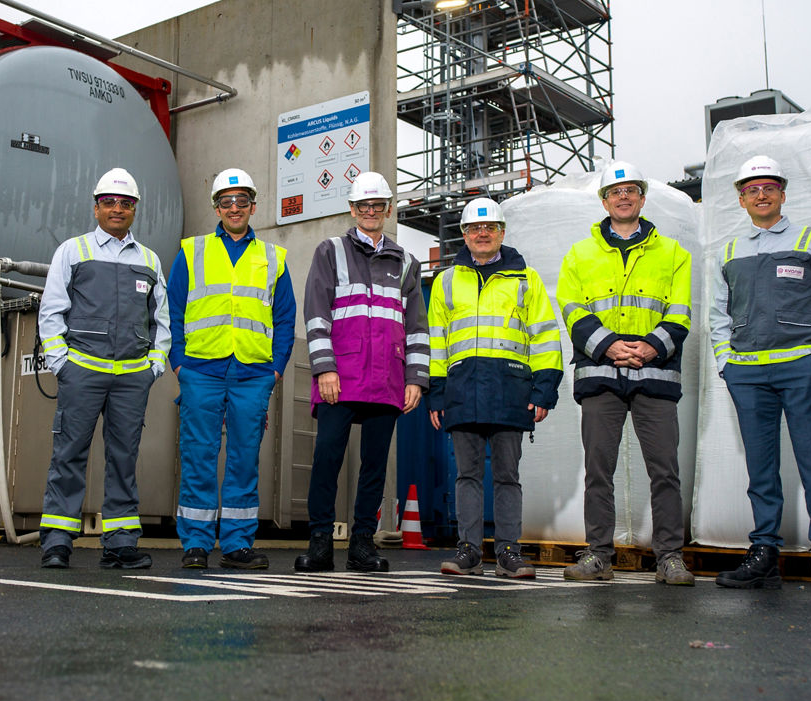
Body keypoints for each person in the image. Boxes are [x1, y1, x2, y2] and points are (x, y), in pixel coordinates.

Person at [710, 155, 811, 595]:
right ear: (741, 200)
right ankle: (765, 553)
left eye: (769, 187)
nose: (761, 195)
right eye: (752, 189)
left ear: (782, 194)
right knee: (761, 468)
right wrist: (725, 362)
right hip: (747, 373)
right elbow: (718, 314)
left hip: (799, 368)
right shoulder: (730, 251)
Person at [556, 161, 696, 586]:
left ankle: (669, 557)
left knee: (665, 471)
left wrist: (651, 346)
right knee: (599, 471)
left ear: (642, 198)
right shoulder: (579, 254)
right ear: (604, 202)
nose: (623, 197)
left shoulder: (673, 253)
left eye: (631, 190)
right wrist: (609, 346)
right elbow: (572, 309)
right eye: (615, 192)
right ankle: (599, 556)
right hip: (601, 372)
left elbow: (680, 311)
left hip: (655, 373)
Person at [294, 171, 428, 573]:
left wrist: (415, 379)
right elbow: (316, 314)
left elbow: (416, 327)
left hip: (387, 378)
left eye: (377, 206)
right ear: (352, 210)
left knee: (374, 466)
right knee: (327, 458)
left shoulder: (406, 262)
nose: (370, 211)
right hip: (341, 375)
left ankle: (362, 544)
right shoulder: (330, 251)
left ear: (388, 210)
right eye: (363, 206)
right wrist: (324, 369)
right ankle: (320, 543)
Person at [38, 168, 170, 570]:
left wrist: (154, 366)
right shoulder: (73, 251)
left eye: (126, 203)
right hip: (82, 371)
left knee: (124, 458)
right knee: (69, 454)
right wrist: (62, 363)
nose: (117, 209)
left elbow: (161, 320)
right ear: (96, 208)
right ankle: (57, 541)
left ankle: (120, 543)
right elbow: (51, 310)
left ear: (135, 210)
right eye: (109, 202)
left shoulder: (149, 260)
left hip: (132, 378)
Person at [167, 169, 296, 571]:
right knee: (198, 457)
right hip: (200, 372)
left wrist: (275, 370)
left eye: (242, 201)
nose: (234, 208)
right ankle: (196, 544)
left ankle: (238, 544)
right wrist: (180, 364)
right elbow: (172, 310)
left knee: (244, 459)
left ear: (253, 207)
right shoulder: (192, 251)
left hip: (253, 375)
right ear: (216, 208)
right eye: (226, 201)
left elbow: (285, 317)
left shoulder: (273, 257)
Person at [429, 198, 563, 578]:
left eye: (490, 228)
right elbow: (436, 343)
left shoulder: (526, 279)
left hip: (510, 390)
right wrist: (436, 393)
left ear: (502, 233)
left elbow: (545, 336)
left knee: (507, 476)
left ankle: (508, 552)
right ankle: (469, 552)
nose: (482, 234)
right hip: (462, 390)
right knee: (467, 476)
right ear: (464, 235)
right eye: (475, 228)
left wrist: (544, 389)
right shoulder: (445, 281)